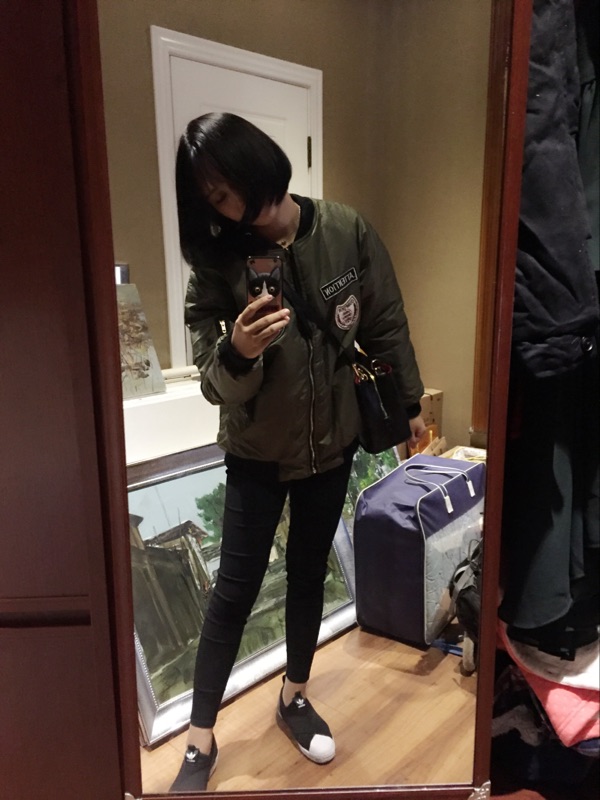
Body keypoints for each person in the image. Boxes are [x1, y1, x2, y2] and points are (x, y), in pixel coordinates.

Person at [169, 111, 426, 793]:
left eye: (229, 186)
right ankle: (199, 740)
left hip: (333, 442)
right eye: (213, 197)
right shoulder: (218, 265)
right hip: (256, 451)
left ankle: (294, 696)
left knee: (309, 572)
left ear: (261, 161)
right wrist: (239, 351)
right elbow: (213, 383)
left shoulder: (345, 229)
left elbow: (385, 320)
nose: (228, 206)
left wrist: (408, 408)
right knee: (234, 591)